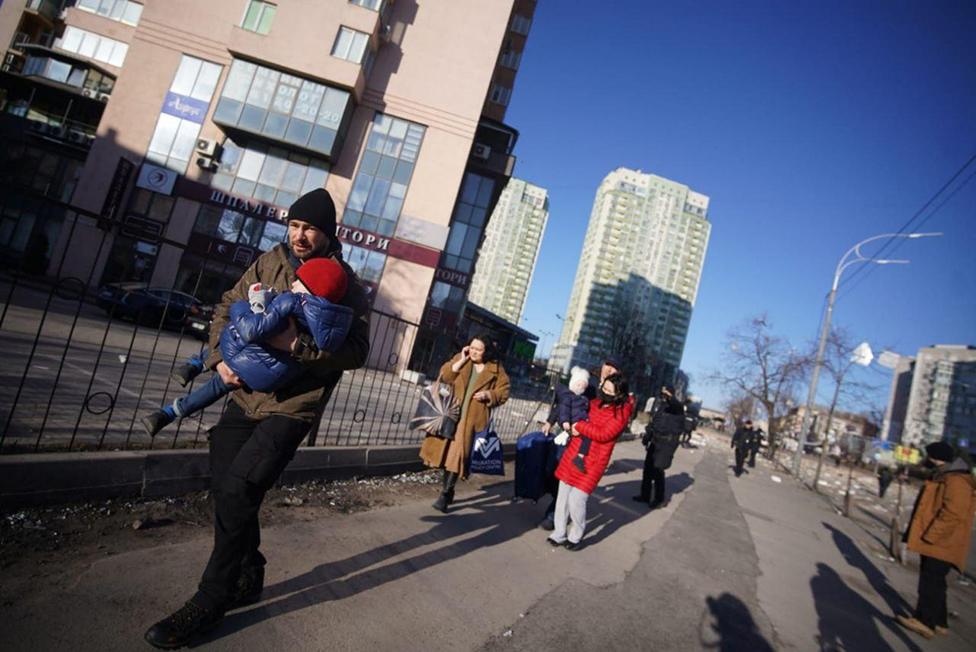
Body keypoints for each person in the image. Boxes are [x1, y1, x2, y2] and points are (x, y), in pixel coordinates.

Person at [144, 189, 370, 649]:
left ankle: (211, 599)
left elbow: (358, 351)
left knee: (240, 488)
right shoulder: (271, 259)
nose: (299, 235)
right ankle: (249, 570)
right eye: (294, 226)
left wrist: (299, 348)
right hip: (244, 393)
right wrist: (217, 360)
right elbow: (229, 304)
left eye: (309, 228)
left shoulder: (347, 283)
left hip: (292, 406)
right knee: (225, 479)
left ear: (327, 234)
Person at [140, 259, 352, 436]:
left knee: (233, 334)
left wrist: (241, 307)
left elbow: (252, 329)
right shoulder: (329, 321)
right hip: (269, 375)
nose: (293, 282)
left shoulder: (292, 303)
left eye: (299, 280)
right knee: (217, 386)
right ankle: (169, 413)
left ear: (309, 288)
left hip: (251, 356)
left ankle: (195, 364)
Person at [419, 334, 510, 513]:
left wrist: (489, 395)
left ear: (487, 351)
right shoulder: (462, 360)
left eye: (479, 349)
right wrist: (460, 360)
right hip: (451, 414)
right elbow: (444, 375)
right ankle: (449, 489)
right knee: (446, 455)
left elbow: (504, 391)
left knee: (457, 455)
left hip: (472, 420)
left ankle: (445, 494)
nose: (474, 352)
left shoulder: (496, 368)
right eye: (472, 347)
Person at [896, 441, 976, 639]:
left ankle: (924, 621)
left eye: (928, 456)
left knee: (930, 581)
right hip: (941, 539)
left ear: (935, 457)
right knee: (936, 581)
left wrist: (931, 535)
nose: (926, 460)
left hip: (943, 540)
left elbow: (953, 512)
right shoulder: (946, 475)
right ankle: (939, 622)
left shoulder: (956, 480)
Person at [547, 372, 634, 549]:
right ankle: (559, 533)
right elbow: (574, 411)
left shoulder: (621, 412)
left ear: (619, 394)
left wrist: (580, 426)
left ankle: (576, 535)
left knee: (577, 500)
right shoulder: (593, 402)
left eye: (611, 391)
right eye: (604, 388)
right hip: (574, 453)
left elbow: (604, 434)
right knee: (562, 497)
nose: (606, 392)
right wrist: (568, 424)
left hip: (594, 461)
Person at [538, 357, 622, 529]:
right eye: (608, 365)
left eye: (614, 368)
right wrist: (551, 421)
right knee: (552, 471)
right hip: (568, 434)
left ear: (617, 373)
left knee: (569, 479)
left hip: (586, 443)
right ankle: (556, 505)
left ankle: (553, 515)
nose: (609, 369)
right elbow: (565, 401)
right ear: (603, 365)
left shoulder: (614, 392)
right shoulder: (587, 383)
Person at [633, 384, 684, 508]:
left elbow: (675, 404)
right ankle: (645, 495)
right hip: (655, 441)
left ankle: (659, 499)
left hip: (666, 444)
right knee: (648, 469)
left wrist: (669, 396)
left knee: (658, 470)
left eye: (665, 393)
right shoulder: (661, 407)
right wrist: (647, 436)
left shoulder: (677, 408)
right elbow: (654, 423)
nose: (662, 395)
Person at [558, 366, 592, 472]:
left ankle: (580, 457)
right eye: (579, 384)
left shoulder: (584, 398)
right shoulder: (568, 397)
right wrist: (565, 421)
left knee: (587, 437)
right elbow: (564, 409)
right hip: (571, 423)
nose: (581, 388)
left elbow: (585, 410)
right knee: (563, 445)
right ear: (573, 384)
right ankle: (560, 463)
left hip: (580, 424)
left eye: (584, 386)